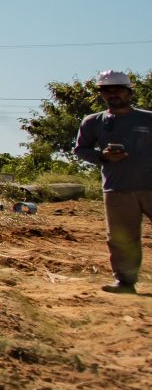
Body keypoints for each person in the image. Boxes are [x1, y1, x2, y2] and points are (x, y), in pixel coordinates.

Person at [73, 69, 150, 295]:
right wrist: (103, 157)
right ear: (102, 94)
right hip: (117, 189)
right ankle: (125, 282)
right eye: (107, 90)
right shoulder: (94, 122)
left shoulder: (148, 118)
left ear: (129, 91)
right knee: (121, 238)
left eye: (118, 89)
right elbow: (81, 149)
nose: (113, 94)